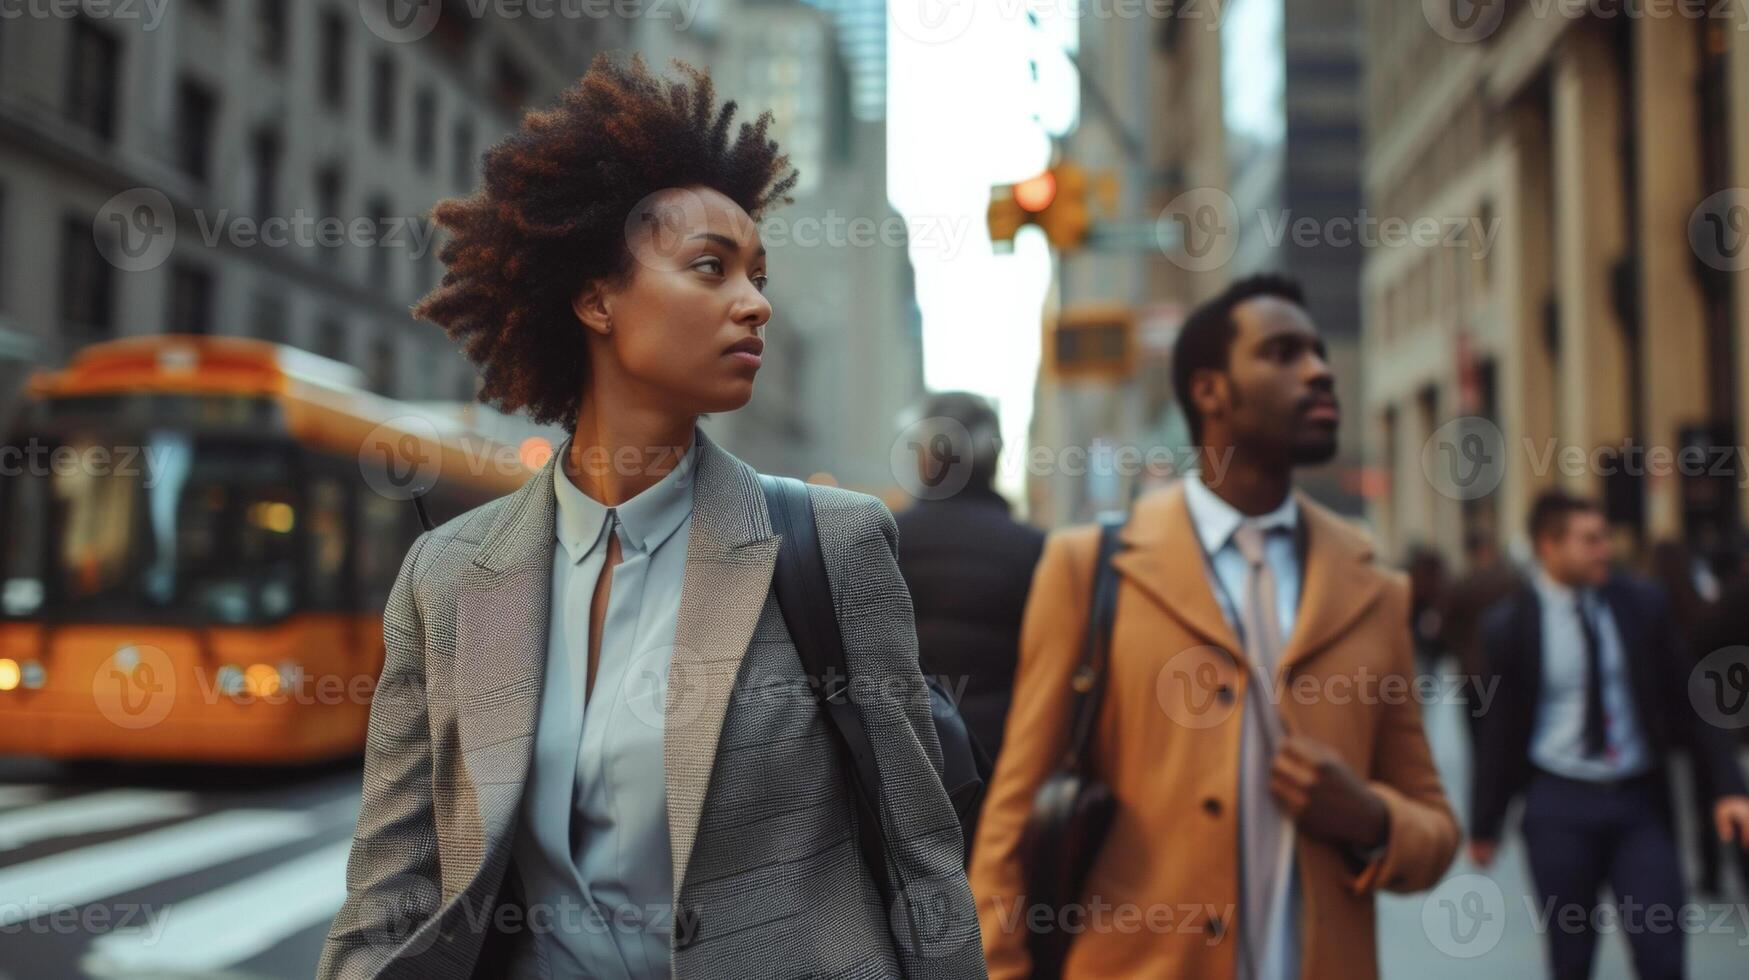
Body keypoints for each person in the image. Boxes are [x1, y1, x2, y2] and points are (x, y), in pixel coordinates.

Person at [317, 55, 984, 980]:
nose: (754, 304)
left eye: (757, 274)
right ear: (596, 298)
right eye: (709, 269)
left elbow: (924, 866)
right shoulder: (445, 576)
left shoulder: (834, 544)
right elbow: (391, 891)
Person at [969, 274, 1459, 978]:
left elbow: (1435, 829)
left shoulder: (1375, 588)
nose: (1320, 372)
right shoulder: (1090, 568)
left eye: (1319, 352)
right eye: (1283, 353)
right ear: (1210, 392)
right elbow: (1012, 818)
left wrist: (1370, 821)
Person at [1469, 493, 1749, 979]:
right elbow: (1497, 733)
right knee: (1571, 958)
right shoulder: (1509, 626)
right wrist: (1483, 825)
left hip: (1638, 803)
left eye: (1605, 538)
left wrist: (1728, 788)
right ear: (1549, 546)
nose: (1605, 550)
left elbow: (1692, 701)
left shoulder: (1641, 604)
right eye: (1590, 541)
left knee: (1662, 953)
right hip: (1558, 804)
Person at [894, 392, 1045, 777]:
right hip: (1003, 759)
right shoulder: (1032, 548)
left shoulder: (887, 538)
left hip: (911, 759)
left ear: (927, 458)